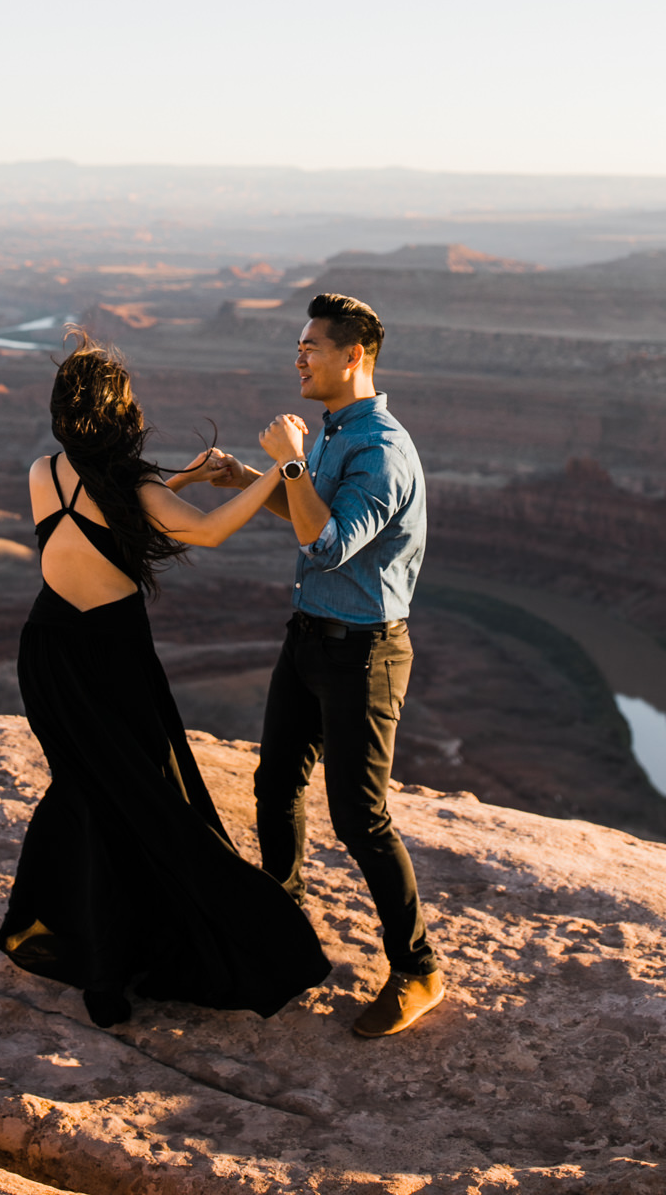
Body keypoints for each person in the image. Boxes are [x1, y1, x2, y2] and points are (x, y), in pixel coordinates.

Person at [0, 333, 330, 1028]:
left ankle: (87, 948)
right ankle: (125, 965)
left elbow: (99, 519)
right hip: (111, 659)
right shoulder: (134, 485)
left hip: (49, 653)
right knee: (145, 803)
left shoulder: (44, 471)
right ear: (119, 413)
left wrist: (177, 481)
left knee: (89, 794)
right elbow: (205, 535)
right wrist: (283, 468)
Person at [223, 291, 441, 1038]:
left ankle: (418, 971)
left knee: (359, 817)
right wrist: (246, 482)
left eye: (310, 346)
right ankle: (278, 929)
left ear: (353, 356)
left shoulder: (379, 449)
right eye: (299, 345)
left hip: (364, 654)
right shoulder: (334, 432)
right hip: (311, 636)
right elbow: (310, 515)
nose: (299, 357)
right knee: (275, 781)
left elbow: (327, 544)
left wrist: (285, 463)